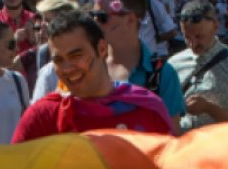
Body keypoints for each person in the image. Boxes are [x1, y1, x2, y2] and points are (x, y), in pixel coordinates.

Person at [12, 11, 172, 142]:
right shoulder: (43, 117)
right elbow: (16, 168)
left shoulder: (146, 109)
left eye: (76, 56)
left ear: (101, 49)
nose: (67, 68)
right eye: (59, 60)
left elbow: (167, 166)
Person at [168, 0, 228, 132]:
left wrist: (210, 109)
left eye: (199, 37)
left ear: (215, 26)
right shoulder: (173, 64)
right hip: (185, 143)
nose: (193, 44)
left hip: (222, 143)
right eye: (187, 37)